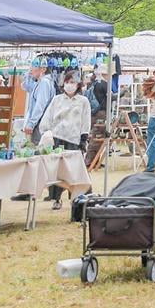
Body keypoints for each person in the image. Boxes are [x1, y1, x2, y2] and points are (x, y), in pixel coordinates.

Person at [38, 72, 92, 209]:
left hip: (74, 139)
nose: (69, 85)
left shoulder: (83, 101)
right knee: (57, 170)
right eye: (67, 82)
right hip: (57, 137)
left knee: (74, 170)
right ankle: (56, 197)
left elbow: (85, 120)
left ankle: (77, 197)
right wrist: (46, 132)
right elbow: (48, 117)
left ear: (78, 84)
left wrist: (83, 138)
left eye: (72, 82)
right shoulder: (57, 99)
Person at [21, 65, 55, 144]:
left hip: (40, 124)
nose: (31, 70)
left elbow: (40, 105)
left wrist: (31, 124)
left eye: (34, 66)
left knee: (37, 150)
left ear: (43, 69)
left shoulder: (44, 82)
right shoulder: (41, 82)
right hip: (40, 123)